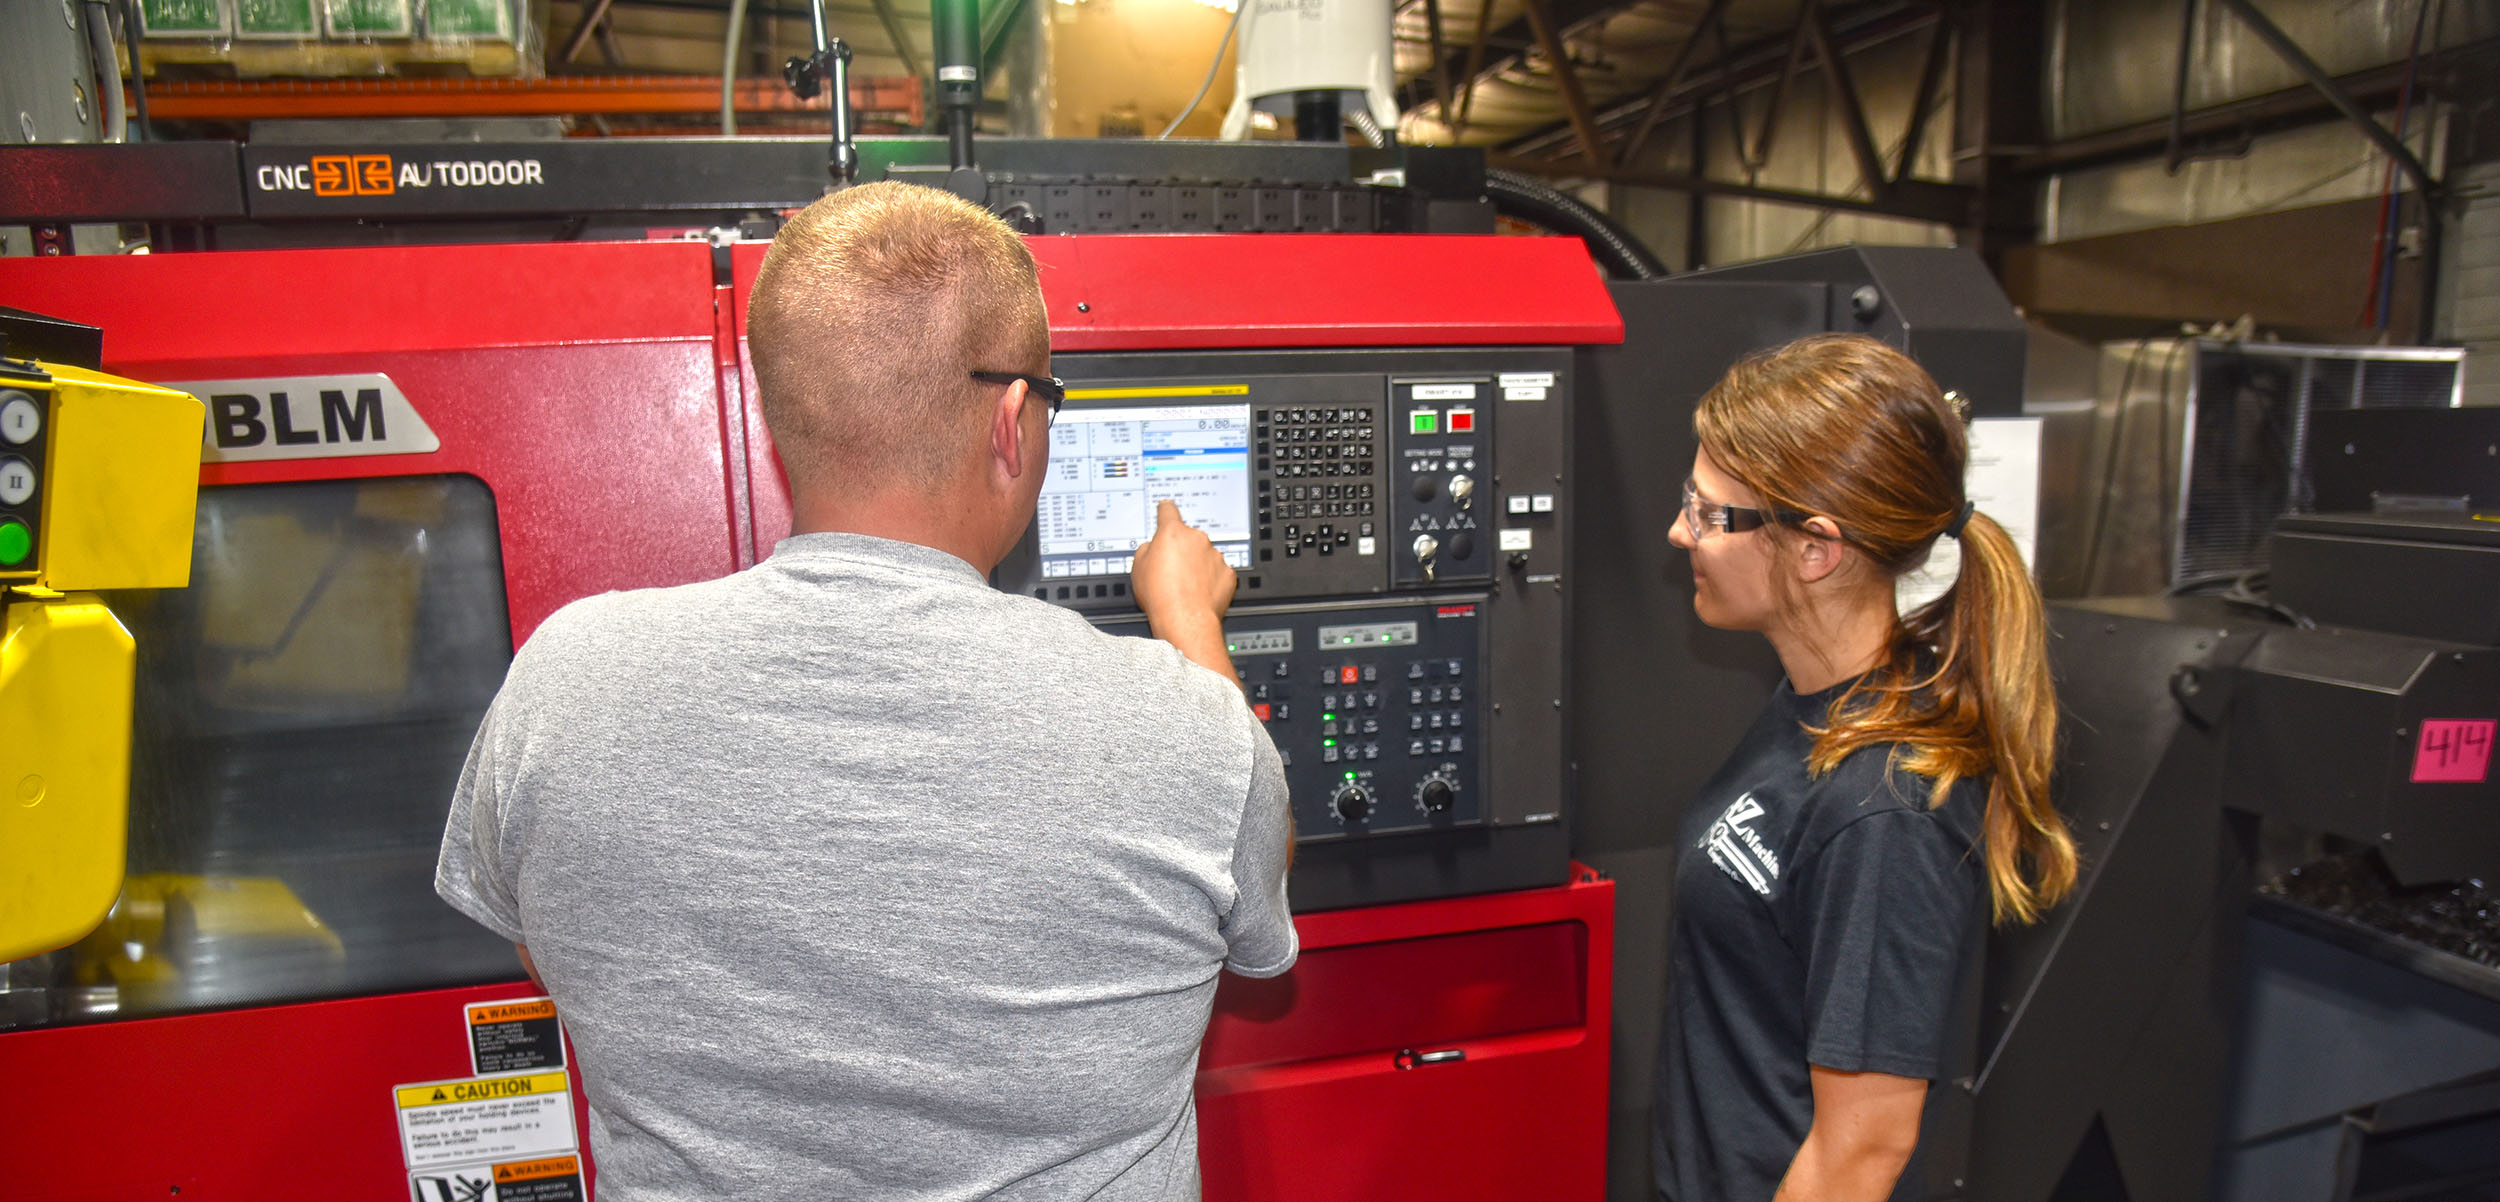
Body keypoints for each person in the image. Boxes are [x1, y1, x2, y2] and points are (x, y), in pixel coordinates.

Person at [434, 181, 1296, 1201]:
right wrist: (1191, 619)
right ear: (1011, 422)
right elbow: (1260, 917)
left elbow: (550, 947)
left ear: (777, 412)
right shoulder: (1184, 727)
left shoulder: (563, 681)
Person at [1652, 333, 2078, 1202]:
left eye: (1708, 513)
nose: (1679, 531)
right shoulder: (1816, 706)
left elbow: (1862, 1155)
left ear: (1815, 548)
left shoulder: (1886, 811)